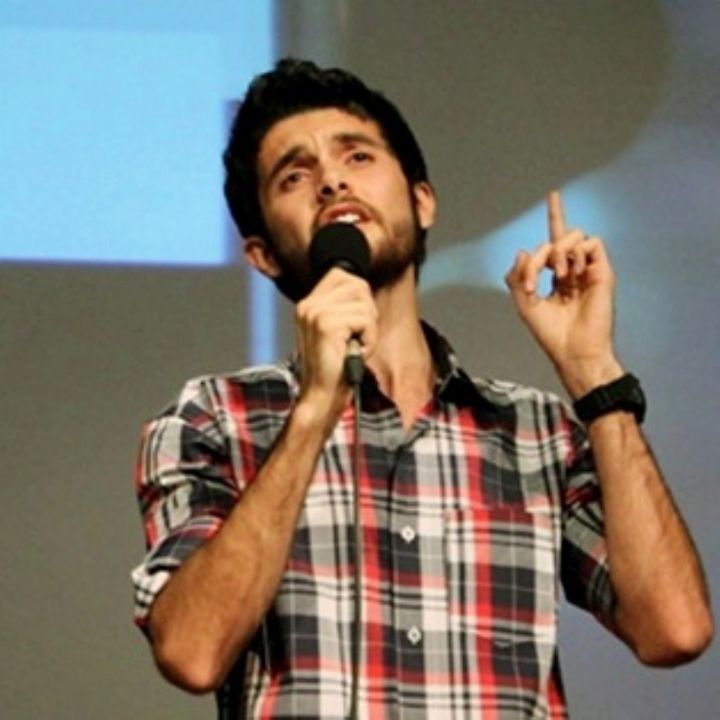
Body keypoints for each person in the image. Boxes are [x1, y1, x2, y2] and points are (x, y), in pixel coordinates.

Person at [131, 59, 713, 718]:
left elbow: (674, 630)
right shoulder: (213, 418)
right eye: (295, 175)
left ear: (422, 201)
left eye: (357, 156)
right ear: (262, 253)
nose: (332, 181)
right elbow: (193, 651)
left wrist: (595, 373)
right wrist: (316, 407)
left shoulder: (534, 430)